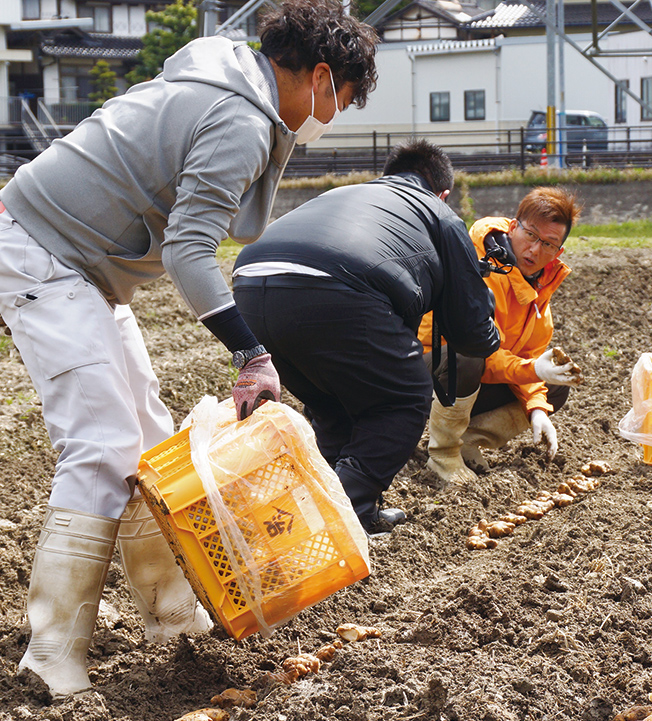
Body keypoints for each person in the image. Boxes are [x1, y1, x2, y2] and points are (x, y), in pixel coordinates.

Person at [0, 0, 379, 698]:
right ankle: (50, 652)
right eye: (342, 101)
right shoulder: (237, 116)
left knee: (150, 449)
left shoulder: (232, 91)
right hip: (44, 253)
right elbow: (189, 249)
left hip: (82, 267)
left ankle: (172, 618)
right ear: (321, 76)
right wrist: (250, 352)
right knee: (102, 442)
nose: (334, 117)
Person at [233, 140, 500, 534]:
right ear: (442, 193)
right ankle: (327, 522)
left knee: (332, 405)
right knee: (403, 398)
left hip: (250, 284)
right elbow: (471, 331)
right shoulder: (439, 213)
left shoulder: (349, 193)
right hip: (335, 286)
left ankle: (353, 511)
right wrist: (491, 327)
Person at [418, 187, 583, 484]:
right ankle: (443, 453)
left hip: (472, 378)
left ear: (558, 253)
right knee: (469, 356)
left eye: (548, 243)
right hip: (429, 371)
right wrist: (530, 369)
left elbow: (528, 357)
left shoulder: (538, 293)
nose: (534, 250)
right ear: (512, 227)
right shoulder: (481, 268)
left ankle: (467, 440)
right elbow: (478, 348)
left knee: (554, 387)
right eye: (530, 235)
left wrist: (536, 408)